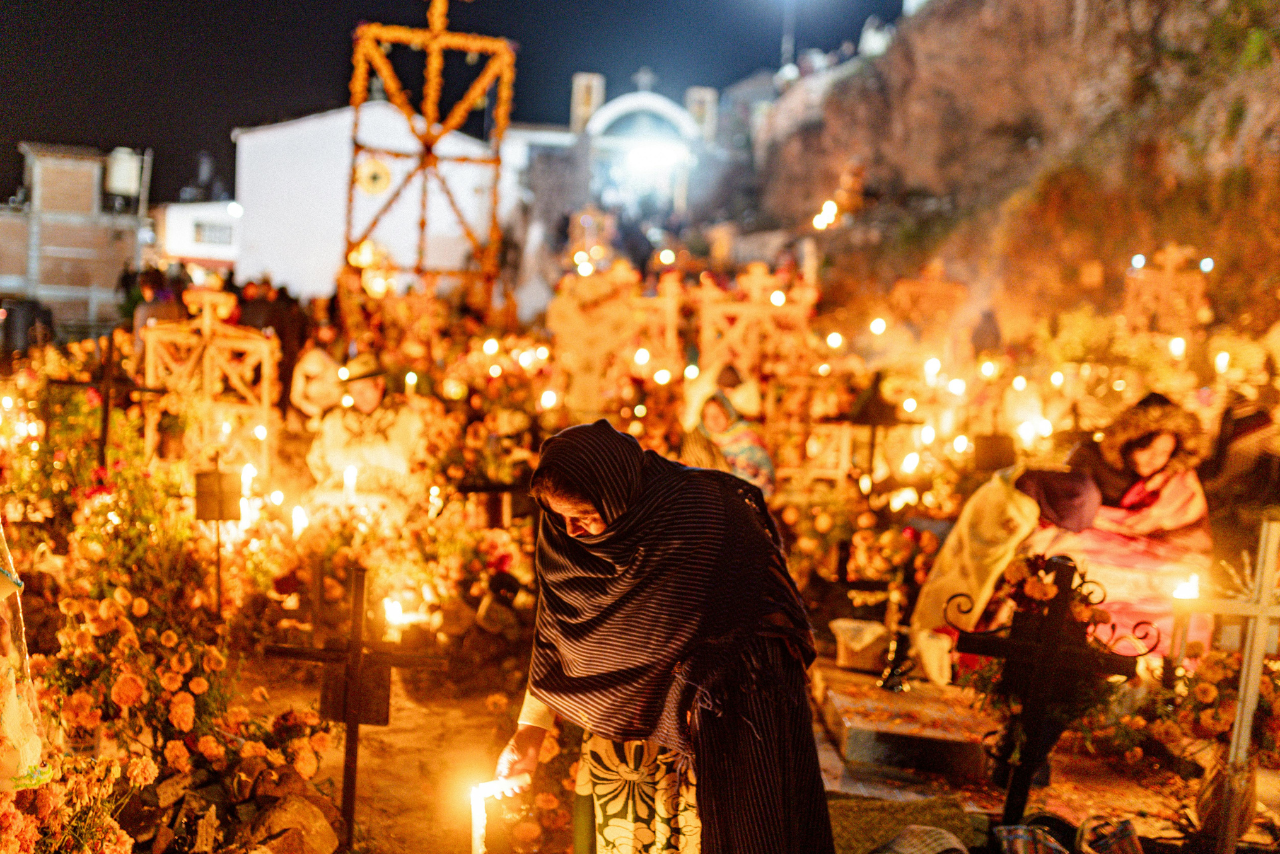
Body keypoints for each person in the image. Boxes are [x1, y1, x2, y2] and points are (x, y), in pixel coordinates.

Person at [495, 420, 833, 854]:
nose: (572, 531)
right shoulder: (565, 536)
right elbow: (557, 629)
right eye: (561, 518)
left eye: (583, 516)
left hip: (725, 716)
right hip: (629, 732)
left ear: (617, 496)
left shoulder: (701, 517)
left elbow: (748, 614)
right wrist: (530, 731)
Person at [305, 352, 426, 508]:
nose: (359, 396)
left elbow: (421, 464)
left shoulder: (407, 419)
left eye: (364, 389)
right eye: (354, 391)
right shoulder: (334, 421)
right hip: (340, 502)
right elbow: (317, 461)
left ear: (380, 384)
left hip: (391, 504)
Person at [699, 391, 776, 498]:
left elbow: (764, 477)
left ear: (728, 412)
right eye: (707, 416)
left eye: (718, 413)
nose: (713, 419)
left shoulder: (748, 437)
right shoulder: (703, 446)